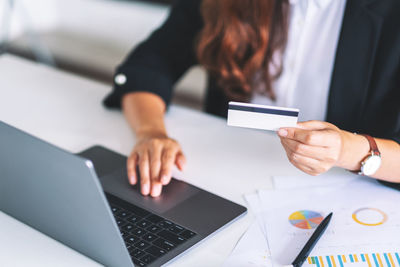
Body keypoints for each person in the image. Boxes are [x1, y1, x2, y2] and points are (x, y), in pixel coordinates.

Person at [104, 0, 400, 197]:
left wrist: (346, 150)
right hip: (222, 182)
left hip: (342, 198)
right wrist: (151, 132)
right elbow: (148, 64)